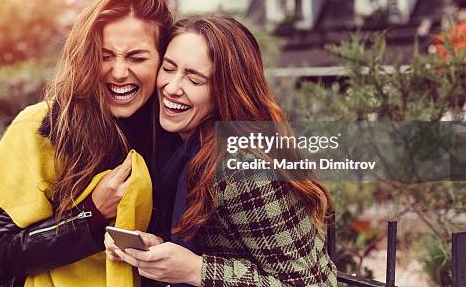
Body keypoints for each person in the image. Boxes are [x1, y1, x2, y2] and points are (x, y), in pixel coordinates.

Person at [106, 15, 338, 286]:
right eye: (169, 68)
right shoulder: (188, 151)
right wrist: (155, 249)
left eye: (194, 79)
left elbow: (316, 284)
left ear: (225, 91)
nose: (171, 88)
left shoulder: (242, 168)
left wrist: (196, 270)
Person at [0, 0, 181, 286]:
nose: (119, 71)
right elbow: (4, 251)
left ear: (162, 62)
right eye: (105, 55)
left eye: (137, 58)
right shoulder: (42, 126)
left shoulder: (176, 131)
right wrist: (91, 213)